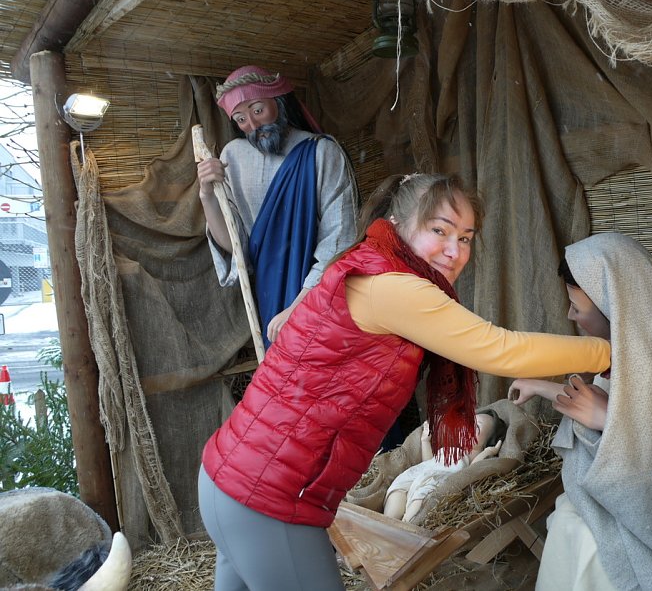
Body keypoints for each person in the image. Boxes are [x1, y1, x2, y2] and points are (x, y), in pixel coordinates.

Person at [198, 172, 612, 591]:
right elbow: (501, 349)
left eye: (466, 237)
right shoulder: (395, 288)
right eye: (440, 231)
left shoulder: (367, 260)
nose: (455, 251)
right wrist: (610, 351)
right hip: (269, 499)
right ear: (398, 223)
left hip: (228, 480)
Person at [508, 232, 652, 591]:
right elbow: (615, 402)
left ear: (615, 307)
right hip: (615, 497)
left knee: (573, 535)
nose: (569, 315)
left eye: (577, 307)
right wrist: (540, 386)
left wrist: (609, 422)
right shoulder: (638, 348)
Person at [197, 64, 358, 345]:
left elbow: (340, 237)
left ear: (279, 102)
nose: (253, 125)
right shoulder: (232, 157)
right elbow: (236, 245)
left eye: (258, 110)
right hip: (270, 291)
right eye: (241, 119)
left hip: (322, 292)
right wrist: (206, 195)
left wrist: (300, 305)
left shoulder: (322, 151)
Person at [383, 410, 506, 522]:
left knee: (423, 498)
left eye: (477, 427)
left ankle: (407, 524)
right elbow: (429, 463)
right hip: (420, 473)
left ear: (486, 442)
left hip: (436, 481)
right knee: (398, 488)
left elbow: (473, 470)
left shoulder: (473, 454)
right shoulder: (449, 447)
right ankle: (387, 522)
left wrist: (487, 452)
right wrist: (425, 441)